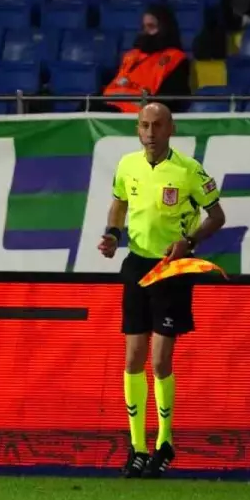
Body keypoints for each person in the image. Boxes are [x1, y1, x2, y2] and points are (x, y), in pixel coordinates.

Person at [98, 103, 226, 478]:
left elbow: (217, 216)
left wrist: (190, 241)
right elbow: (119, 203)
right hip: (137, 264)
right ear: (137, 130)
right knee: (132, 359)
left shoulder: (189, 171)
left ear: (171, 129)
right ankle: (138, 447)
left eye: (157, 125)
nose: (150, 133)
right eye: (144, 126)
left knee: (159, 362)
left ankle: (165, 441)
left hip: (171, 268)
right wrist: (112, 235)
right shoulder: (127, 165)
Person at [101, 5, 191, 113]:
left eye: (151, 26)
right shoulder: (131, 56)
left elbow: (173, 100)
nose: (146, 32)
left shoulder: (175, 58)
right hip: (113, 108)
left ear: (165, 28)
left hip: (144, 115)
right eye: (144, 27)